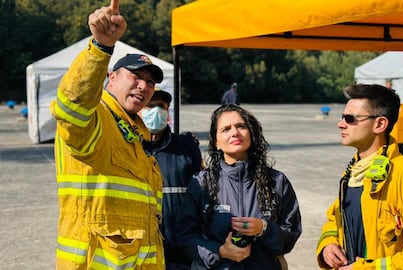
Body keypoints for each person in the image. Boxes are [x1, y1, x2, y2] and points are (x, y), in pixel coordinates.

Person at [50, 0, 166, 269]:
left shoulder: (137, 130)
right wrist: (101, 48)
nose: (144, 85)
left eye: (150, 81)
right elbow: (71, 105)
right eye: (136, 76)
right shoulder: (96, 116)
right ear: (111, 78)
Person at [315, 84, 403, 269]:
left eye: (350, 118)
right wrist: (327, 245)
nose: (340, 124)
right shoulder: (352, 174)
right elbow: (334, 221)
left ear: (379, 124)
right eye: (342, 117)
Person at [175, 104, 302, 269]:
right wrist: (220, 251)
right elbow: (185, 236)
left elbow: (290, 236)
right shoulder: (201, 183)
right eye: (226, 129)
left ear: (251, 133)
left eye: (241, 126)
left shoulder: (277, 181)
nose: (235, 132)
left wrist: (264, 229)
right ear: (215, 142)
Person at [140, 89, 204, 270]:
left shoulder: (187, 146)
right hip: (139, 250)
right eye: (149, 106)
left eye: (161, 106)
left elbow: (202, 193)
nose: (155, 111)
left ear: (168, 111)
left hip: (181, 250)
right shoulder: (127, 147)